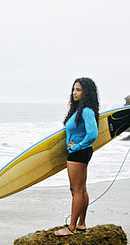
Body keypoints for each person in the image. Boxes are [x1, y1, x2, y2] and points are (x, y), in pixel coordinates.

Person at [54, 78, 100, 236]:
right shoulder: (79, 110)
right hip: (80, 152)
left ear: (86, 92)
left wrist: (78, 146)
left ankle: (71, 228)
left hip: (79, 153)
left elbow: (93, 134)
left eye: (78, 90)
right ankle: (81, 223)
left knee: (76, 190)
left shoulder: (87, 111)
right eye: (74, 89)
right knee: (81, 189)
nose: (74, 92)